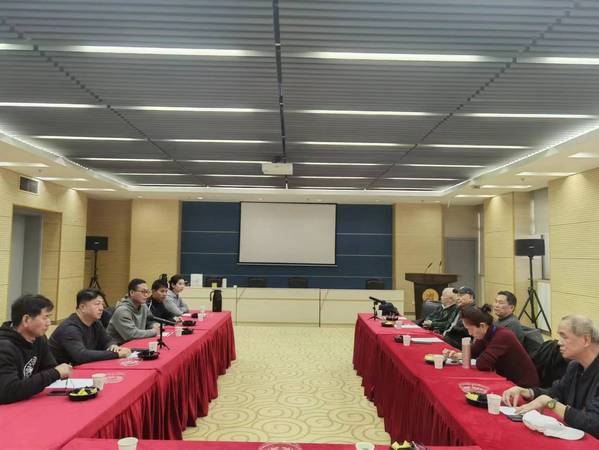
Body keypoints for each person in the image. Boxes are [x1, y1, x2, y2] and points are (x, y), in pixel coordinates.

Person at [503, 315, 599, 438]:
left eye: (564, 337)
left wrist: (550, 403)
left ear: (585, 340)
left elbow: (593, 424)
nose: (559, 343)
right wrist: (527, 391)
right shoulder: (575, 366)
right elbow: (555, 392)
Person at [0, 294, 72, 403]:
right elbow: (8, 391)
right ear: (26, 320)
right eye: (45, 317)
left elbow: (49, 368)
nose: (49, 323)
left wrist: (55, 372)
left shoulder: (39, 338)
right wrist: (55, 373)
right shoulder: (4, 347)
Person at [444, 305, 539, 387]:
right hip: (506, 379)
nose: (469, 333)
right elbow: (473, 352)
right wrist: (457, 355)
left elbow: (482, 364)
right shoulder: (487, 333)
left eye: (470, 329)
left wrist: (476, 356)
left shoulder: (503, 335)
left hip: (522, 385)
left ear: (482, 326)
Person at [49, 288, 131, 365]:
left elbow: (108, 340)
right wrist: (116, 354)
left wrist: (113, 346)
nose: (101, 308)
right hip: (61, 372)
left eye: (102, 304)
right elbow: (80, 355)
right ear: (82, 307)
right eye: (97, 304)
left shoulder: (95, 322)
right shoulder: (70, 328)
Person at [106, 279, 160, 345]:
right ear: (132, 292)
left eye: (147, 292)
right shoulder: (122, 311)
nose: (146, 295)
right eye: (143, 292)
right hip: (118, 346)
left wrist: (154, 325)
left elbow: (150, 320)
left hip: (136, 343)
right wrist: (154, 331)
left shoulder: (143, 306)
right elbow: (131, 335)